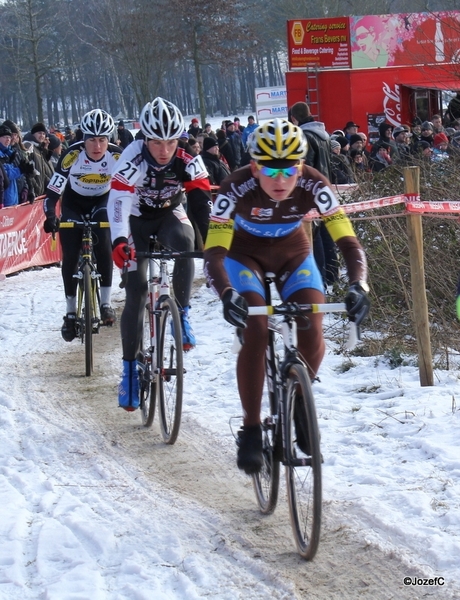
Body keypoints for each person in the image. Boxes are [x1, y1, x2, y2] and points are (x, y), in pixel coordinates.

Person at [203, 118, 370, 474]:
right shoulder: (233, 187)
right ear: (254, 167)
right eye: (269, 170)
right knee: (256, 327)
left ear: (300, 166)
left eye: (289, 171)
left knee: (313, 321)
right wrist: (227, 293)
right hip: (242, 255)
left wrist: (359, 284)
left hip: (293, 253)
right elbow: (214, 253)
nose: (280, 181)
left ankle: (299, 401)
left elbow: (348, 242)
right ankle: (250, 428)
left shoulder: (314, 183)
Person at [107, 97, 212, 412]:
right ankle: (128, 371)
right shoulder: (131, 157)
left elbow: (201, 205)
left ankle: (182, 314)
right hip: (135, 220)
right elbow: (117, 204)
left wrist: (206, 247)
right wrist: (119, 241)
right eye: (156, 142)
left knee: (185, 242)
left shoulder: (188, 157)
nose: (164, 150)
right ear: (145, 138)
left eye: (170, 141)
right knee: (137, 292)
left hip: (169, 213)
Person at [42, 109, 122, 342]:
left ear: (109, 139)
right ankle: (69, 312)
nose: (97, 146)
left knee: (104, 246)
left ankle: (106, 303)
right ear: (83, 139)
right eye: (91, 140)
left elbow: (132, 189)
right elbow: (53, 191)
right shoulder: (71, 155)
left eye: (102, 140)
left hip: (102, 201)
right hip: (74, 203)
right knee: (70, 256)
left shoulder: (117, 156)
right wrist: (50, 215)